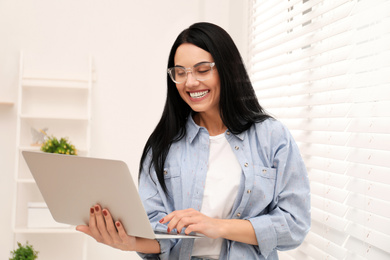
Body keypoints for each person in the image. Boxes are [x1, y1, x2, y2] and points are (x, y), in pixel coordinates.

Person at [76, 22, 311, 260]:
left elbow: (294, 226)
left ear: (228, 70)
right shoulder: (163, 145)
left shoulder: (271, 136)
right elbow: (156, 230)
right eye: (181, 72)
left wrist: (218, 226)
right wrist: (129, 241)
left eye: (202, 70)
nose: (190, 83)